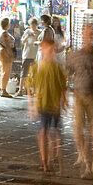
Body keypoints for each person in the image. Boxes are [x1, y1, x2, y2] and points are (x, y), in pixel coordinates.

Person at [67, 24, 93, 178]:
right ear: (82, 35)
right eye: (87, 33)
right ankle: (84, 159)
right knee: (78, 129)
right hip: (79, 95)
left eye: (92, 34)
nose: (89, 36)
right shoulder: (75, 55)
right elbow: (68, 72)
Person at [31, 36, 67, 173]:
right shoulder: (40, 67)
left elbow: (62, 86)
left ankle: (49, 160)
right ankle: (47, 161)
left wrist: (64, 100)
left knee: (48, 132)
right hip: (45, 103)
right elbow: (31, 85)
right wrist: (32, 103)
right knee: (46, 132)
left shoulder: (52, 67)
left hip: (51, 104)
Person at [16, 18, 40, 97]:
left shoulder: (40, 32)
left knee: (35, 74)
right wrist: (28, 36)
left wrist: (36, 36)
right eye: (32, 25)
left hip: (35, 56)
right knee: (24, 72)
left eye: (35, 25)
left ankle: (35, 90)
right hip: (27, 55)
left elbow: (40, 42)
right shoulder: (27, 32)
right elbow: (22, 42)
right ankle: (20, 89)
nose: (33, 27)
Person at [0, 17, 15, 97]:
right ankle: (3, 89)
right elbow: (7, 44)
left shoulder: (0, 31)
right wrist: (10, 53)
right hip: (5, 52)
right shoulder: (4, 33)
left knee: (3, 70)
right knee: (6, 71)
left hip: (1, 51)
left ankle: (2, 87)